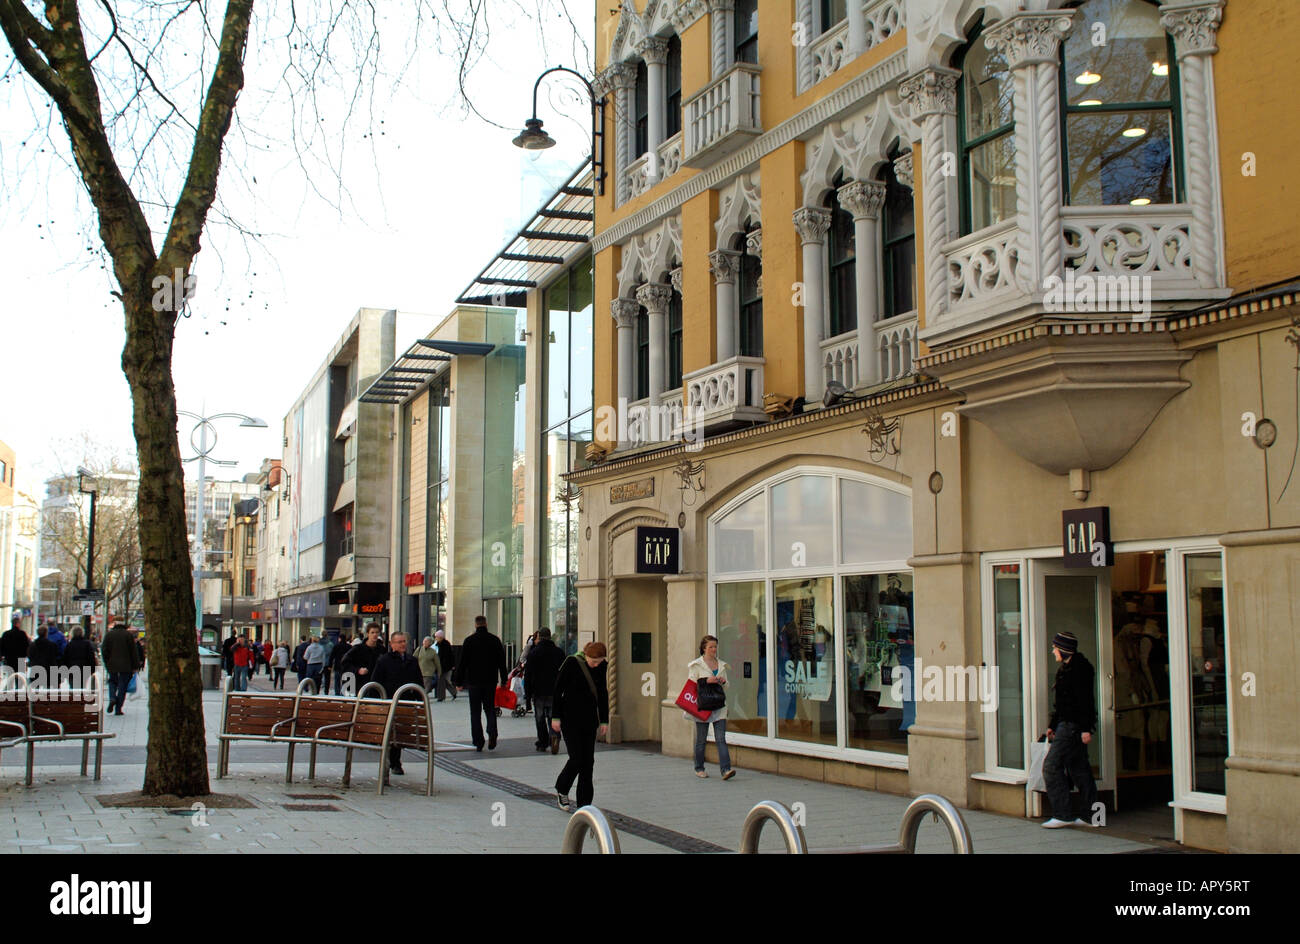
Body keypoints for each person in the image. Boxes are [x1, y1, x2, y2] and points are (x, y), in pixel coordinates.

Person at [1042, 631, 1100, 828]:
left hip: (1073, 726)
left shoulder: (1080, 670)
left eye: (1055, 647)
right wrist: (1052, 725)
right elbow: (1062, 703)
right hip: (1066, 724)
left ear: (1064, 649)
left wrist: (1086, 729)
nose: (1053, 651)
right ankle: (1092, 816)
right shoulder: (1065, 669)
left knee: (1051, 766)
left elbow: (1085, 701)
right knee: (1080, 769)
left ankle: (1063, 814)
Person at [552, 641, 609, 812]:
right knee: (577, 758)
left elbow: (602, 692)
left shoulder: (601, 666)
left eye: (599, 662)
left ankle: (585, 803)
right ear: (587, 656)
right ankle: (562, 788)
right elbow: (557, 689)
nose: (596, 665)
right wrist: (555, 717)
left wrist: (604, 720)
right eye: (593, 662)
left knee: (588, 762)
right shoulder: (571, 662)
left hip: (589, 719)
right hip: (570, 719)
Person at [372, 631, 425, 775]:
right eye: (399, 642)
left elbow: (418, 682)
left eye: (404, 641)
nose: (403, 644)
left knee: (400, 733)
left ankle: (395, 761)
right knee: (391, 732)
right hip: (390, 701)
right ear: (392, 644)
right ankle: (392, 761)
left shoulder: (412, 660)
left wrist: (421, 702)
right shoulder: (384, 660)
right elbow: (376, 682)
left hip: (406, 702)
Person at [453, 615, 508, 751]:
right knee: (489, 708)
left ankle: (478, 741)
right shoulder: (494, 640)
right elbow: (502, 661)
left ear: (475, 625)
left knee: (475, 712)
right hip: (490, 681)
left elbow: (462, 663)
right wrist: (504, 679)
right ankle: (492, 733)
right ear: (486, 624)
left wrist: (458, 681)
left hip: (474, 682)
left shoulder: (469, 641)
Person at [686, 635, 735, 780]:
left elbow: (727, 686)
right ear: (704, 648)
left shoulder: (721, 665)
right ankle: (699, 767)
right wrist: (707, 680)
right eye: (710, 647)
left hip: (719, 705)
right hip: (703, 706)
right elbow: (692, 685)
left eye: (715, 647)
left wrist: (723, 681)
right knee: (701, 739)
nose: (713, 649)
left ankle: (725, 769)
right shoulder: (696, 665)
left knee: (721, 738)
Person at [524, 627, 565, 753]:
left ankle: (542, 742)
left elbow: (528, 675)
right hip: (554, 690)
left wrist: (528, 694)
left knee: (540, 718)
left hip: (538, 691)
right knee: (554, 716)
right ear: (550, 637)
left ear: (539, 638)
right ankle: (554, 736)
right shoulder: (559, 652)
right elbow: (564, 672)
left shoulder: (533, 653)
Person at [101, 619, 140, 716]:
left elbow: (104, 650)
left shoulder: (109, 635)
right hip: (126, 666)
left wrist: (107, 663)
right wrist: (135, 666)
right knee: (123, 686)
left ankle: (112, 697)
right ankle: (118, 709)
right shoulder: (128, 635)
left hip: (112, 665)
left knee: (112, 682)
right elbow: (133, 652)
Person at [340, 623, 384, 694]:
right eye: (372, 632)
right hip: (359, 684)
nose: (375, 635)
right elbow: (345, 662)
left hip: (376, 685)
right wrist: (358, 670)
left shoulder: (381, 649)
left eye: (377, 632)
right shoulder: (358, 649)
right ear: (367, 634)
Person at [433, 629, 456, 702]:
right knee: (444, 681)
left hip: (444, 666)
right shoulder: (439, 644)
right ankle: (454, 692)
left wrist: (441, 667)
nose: (435, 638)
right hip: (443, 666)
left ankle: (441, 697)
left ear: (440, 637)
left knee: (441, 682)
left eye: (436, 637)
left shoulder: (445, 645)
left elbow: (447, 657)